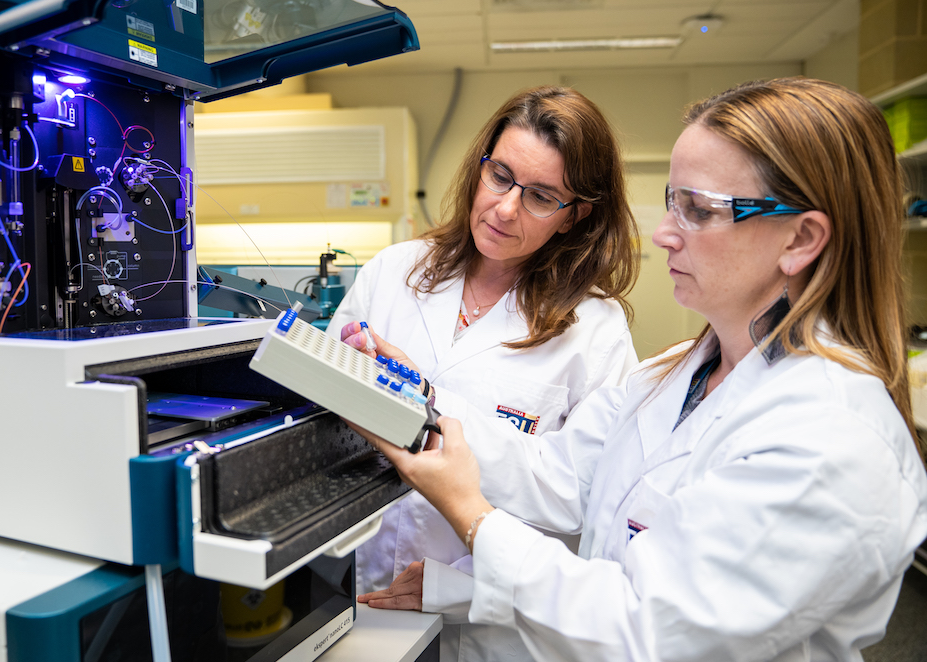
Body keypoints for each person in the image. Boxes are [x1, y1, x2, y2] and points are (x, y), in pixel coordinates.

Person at [356, 77, 927, 661]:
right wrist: (416, 394)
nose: (662, 233)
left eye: (699, 209)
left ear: (800, 239)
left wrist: (473, 518)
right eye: (673, 200)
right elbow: (554, 472)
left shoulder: (833, 439)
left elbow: (646, 633)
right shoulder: (672, 377)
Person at [327, 85, 641, 660]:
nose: (504, 208)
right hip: (354, 591)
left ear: (576, 216)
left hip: (489, 619)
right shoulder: (394, 271)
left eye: (542, 196)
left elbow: (580, 496)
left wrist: (466, 583)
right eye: (500, 176)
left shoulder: (594, 330)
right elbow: (326, 416)